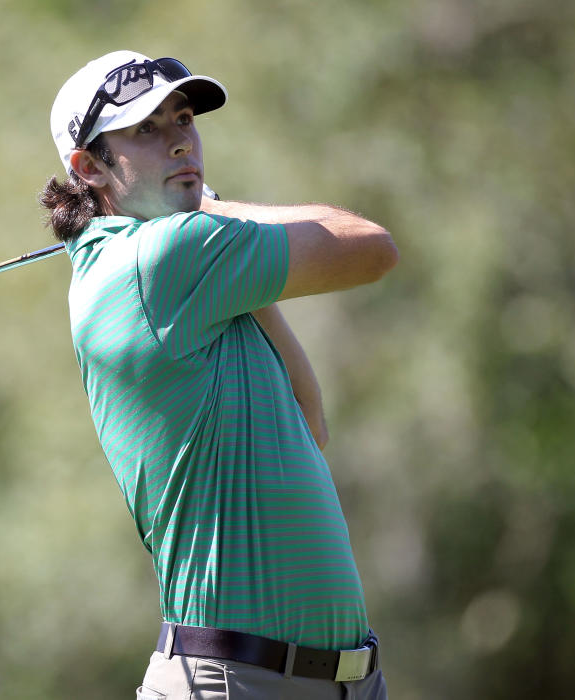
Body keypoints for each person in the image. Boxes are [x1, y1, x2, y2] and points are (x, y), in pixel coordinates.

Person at [40, 51, 398, 699]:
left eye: (183, 118)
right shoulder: (157, 263)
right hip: (234, 683)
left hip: (340, 683)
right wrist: (215, 209)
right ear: (88, 167)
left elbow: (307, 421)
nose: (180, 138)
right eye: (144, 129)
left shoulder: (186, 273)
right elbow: (371, 246)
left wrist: (211, 224)